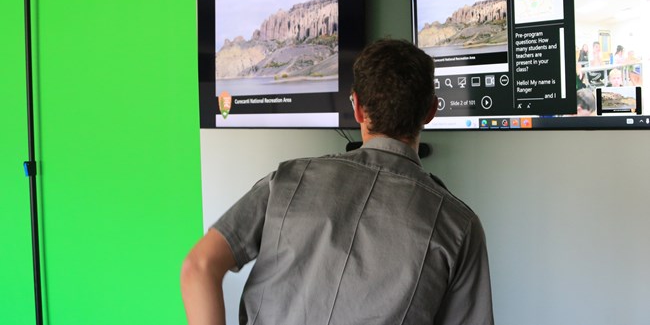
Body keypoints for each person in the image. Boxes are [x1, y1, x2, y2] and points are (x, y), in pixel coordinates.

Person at [181, 39, 494, 325]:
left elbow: (199, 266)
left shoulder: (287, 180)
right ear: (431, 111)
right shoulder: (460, 227)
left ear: (356, 107)